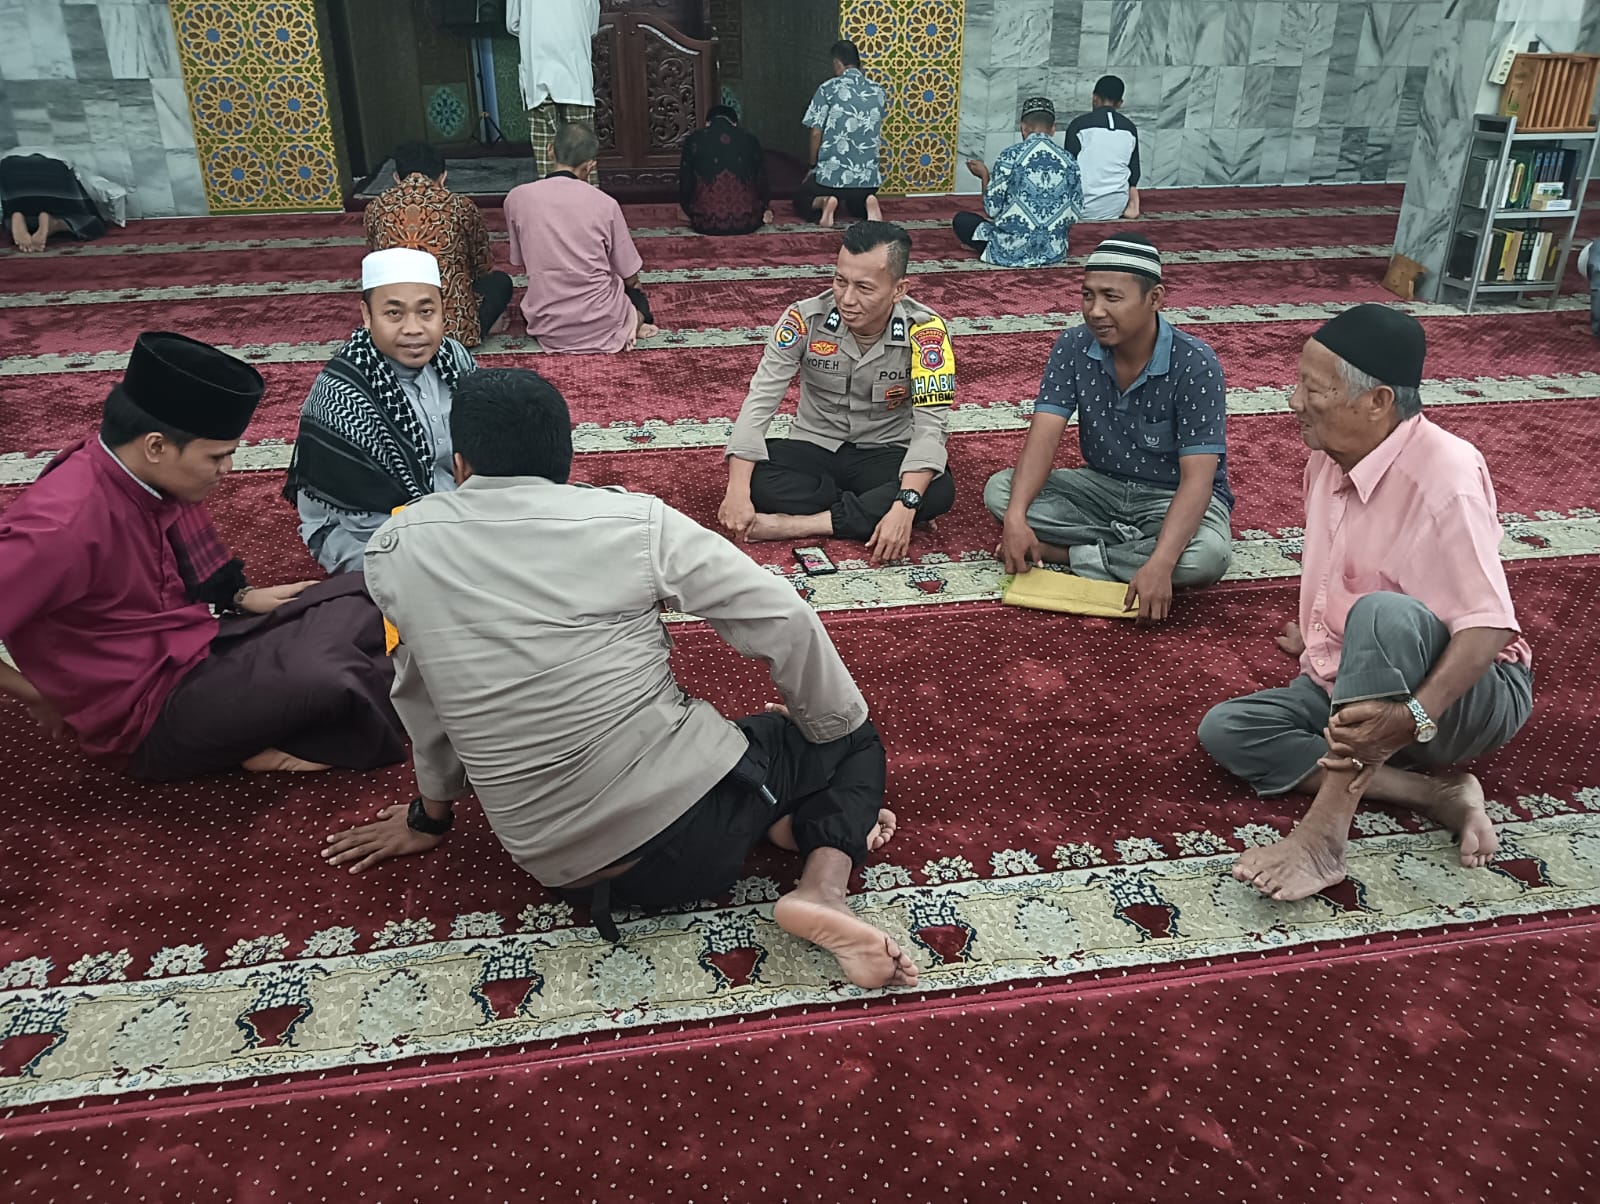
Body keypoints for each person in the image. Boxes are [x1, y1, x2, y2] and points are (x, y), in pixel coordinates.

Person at [322, 368, 919, 990]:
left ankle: (782, 818)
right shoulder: (634, 523)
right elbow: (784, 615)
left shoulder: (395, 546)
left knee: (770, 743)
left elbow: (421, 691)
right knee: (846, 734)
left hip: (551, 864)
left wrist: (432, 817)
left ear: (462, 462)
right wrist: (816, 726)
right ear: (567, 456)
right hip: (686, 834)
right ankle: (823, 886)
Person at [1200, 305, 1532, 901]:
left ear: (1377, 401)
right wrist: (1319, 634)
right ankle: (1438, 794)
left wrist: (1413, 718)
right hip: (1364, 678)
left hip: (1463, 699)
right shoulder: (1325, 460)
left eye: (1313, 388)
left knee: (1381, 612)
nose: (1294, 401)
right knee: (1229, 731)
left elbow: (1486, 628)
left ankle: (1324, 838)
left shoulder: (1447, 474)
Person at [0, 332, 405, 779]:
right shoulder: (60, 526)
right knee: (331, 677)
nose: (228, 469)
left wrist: (241, 595)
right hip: (148, 712)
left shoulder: (130, 471)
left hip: (195, 641)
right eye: (217, 456)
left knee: (365, 593)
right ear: (155, 446)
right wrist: (36, 694)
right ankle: (255, 741)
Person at [986, 235, 1232, 621]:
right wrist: (1016, 518)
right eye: (1088, 296)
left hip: (1169, 497)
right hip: (1101, 488)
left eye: (1111, 298)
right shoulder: (1073, 346)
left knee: (1207, 556)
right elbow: (1044, 436)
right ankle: (1130, 551)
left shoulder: (1195, 363)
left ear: (1155, 299)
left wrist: (1163, 563)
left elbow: (1198, 481)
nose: (1095, 311)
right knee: (1001, 491)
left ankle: (1068, 554)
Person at [720, 221, 956, 564]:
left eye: (864, 288)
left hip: (885, 451)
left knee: (939, 488)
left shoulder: (927, 333)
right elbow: (760, 402)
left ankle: (800, 524)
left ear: (899, 289)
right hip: (815, 447)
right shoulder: (803, 320)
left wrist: (906, 504)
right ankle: (868, 507)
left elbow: (930, 426)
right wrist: (738, 491)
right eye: (840, 281)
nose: (847, 299)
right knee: (749, 476)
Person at [284, 248, 477, 574]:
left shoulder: (453, 359)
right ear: (367, 315)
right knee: (451, 572)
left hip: (449, 507)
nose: (413, 328)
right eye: (394, 314)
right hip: (363, 531)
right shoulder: (341, 398)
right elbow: (363, 521)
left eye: (426, 311)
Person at [504, 122, 660, 353]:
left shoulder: (516, 199)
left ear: (550, 150)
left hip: (548, 324)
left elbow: (520, 261)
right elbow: (630, 276)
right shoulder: (605, 204)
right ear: (590, 166)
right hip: (602, 320)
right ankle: (633, 322)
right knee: (637, 298)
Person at [364, 140, 512, 347]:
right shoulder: (461, 205)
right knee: (500, 282)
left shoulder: (375, 207)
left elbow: (376, 261)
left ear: (397, 178)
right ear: (443, 177)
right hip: (452, 331)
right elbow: (481, 266)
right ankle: (480, 326)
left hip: (395, 333)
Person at [955, 97, 1083, 267]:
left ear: (1023, 128)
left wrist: (985, 175)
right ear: (1053, 129)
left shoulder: (1010, 155)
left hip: (1009, 250)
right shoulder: (1069, 160)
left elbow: (992, 209)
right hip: (1053, 251)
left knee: (962, 220)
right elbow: (1077, 210)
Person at [506, 0, 601, 183]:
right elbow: (591, 24)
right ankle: (587, 205)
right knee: (582, 148)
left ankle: (551, 206)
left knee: (547, 154)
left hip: (538, 72)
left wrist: (535, 30)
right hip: (575, 75)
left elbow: (513, 23)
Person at [794, 40, 887, 228]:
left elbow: (815, 133)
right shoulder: (878, 91)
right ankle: (868, 203)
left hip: (831, 180)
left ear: (837, 63)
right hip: (868, 181)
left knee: (801, 198)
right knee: (855, 200)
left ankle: (825, 202)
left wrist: (813, 165)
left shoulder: (828, 89)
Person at [2, 148, 125, 252]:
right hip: (53, 166)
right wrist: (118, 219)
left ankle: (15, 217)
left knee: (25, 219)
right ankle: (56, 224)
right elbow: (116, 193)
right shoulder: (79, 170)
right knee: (93, 224)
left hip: (7, 165)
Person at [678, 105, 773, 236]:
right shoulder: (750, 139)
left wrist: (688, 210)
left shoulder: (694, 139)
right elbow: (762, 181)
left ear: (707, 123)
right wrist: (764, 208)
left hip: (705, 222)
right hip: (748, 221)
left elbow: (685, 182)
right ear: (734, 123)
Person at [1064, 75, 1141, 222]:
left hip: (1082, 207)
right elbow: (1134, 173)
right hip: (1117, 207)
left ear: (1094, 98)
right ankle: (1132, 204)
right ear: (1120, 103)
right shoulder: (1130, 128)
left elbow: (1068, 168)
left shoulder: (1079, 125)